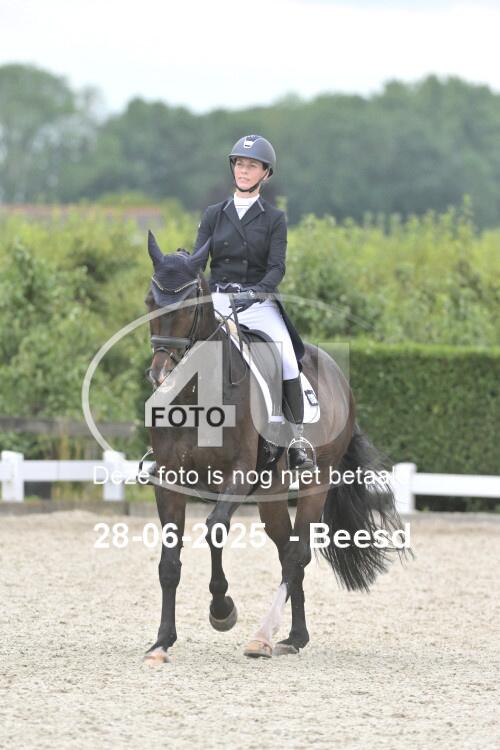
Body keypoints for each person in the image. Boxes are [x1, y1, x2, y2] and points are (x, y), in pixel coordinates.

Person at [193, 134, 315, 472]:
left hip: (257, 303)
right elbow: (199, 260)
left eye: (251, 166)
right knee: (182, 352)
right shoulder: (214, 214)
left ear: (265, 174)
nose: (243, 170)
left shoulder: (274, 219)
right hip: (218, 300)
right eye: (239, 164)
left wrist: (257, 291)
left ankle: (297, 441)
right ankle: (164, 442)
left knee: (287, 360)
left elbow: (277, 268)